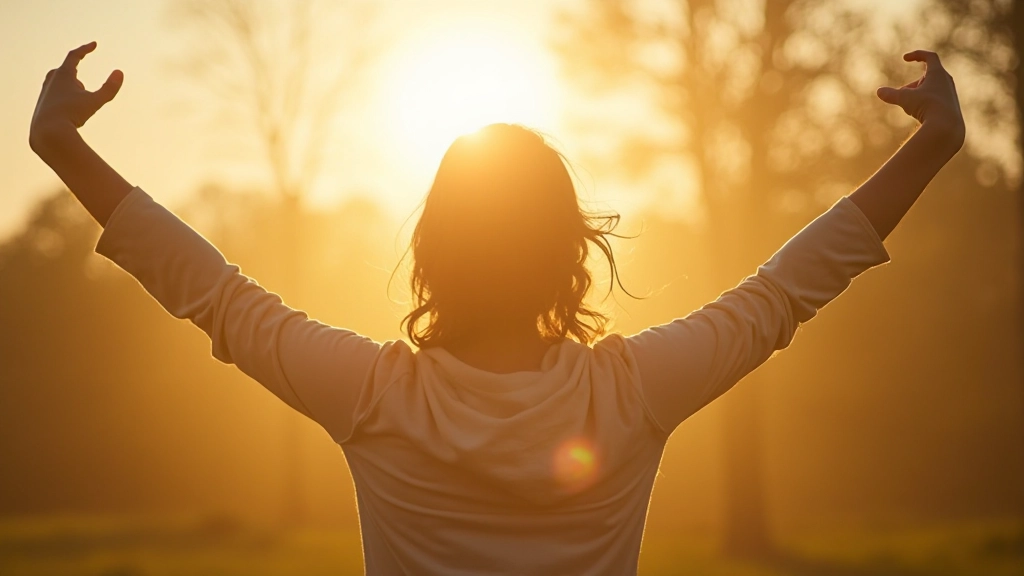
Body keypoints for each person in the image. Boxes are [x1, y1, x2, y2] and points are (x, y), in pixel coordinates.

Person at [29, 41, 964, 575]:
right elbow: (785, 293)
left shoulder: (371, 394)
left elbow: (215, 297)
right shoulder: (632, 394)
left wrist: (64, 148)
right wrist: (928, 150)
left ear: (431, 252)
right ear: (570, 255)